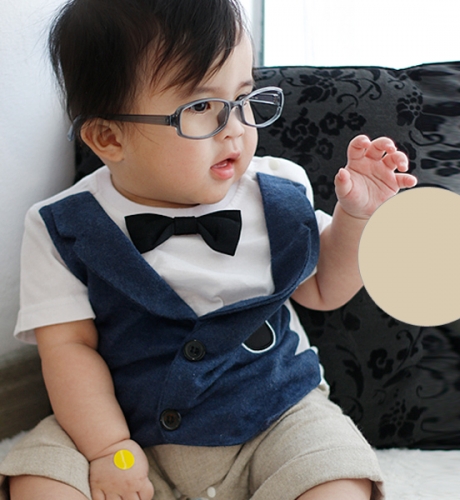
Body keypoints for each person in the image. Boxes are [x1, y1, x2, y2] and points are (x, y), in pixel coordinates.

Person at [0, 0, 417, 498]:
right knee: (38, 477)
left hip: (275, 418)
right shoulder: (61, 226)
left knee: (338, 475)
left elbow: (325, 287)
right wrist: (108, 449)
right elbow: (70, 349)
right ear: (109, 137)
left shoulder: (279, 192)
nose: (236, 127)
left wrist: (357, 218)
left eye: (242, 98)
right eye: (200, 108)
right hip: (126, 433)